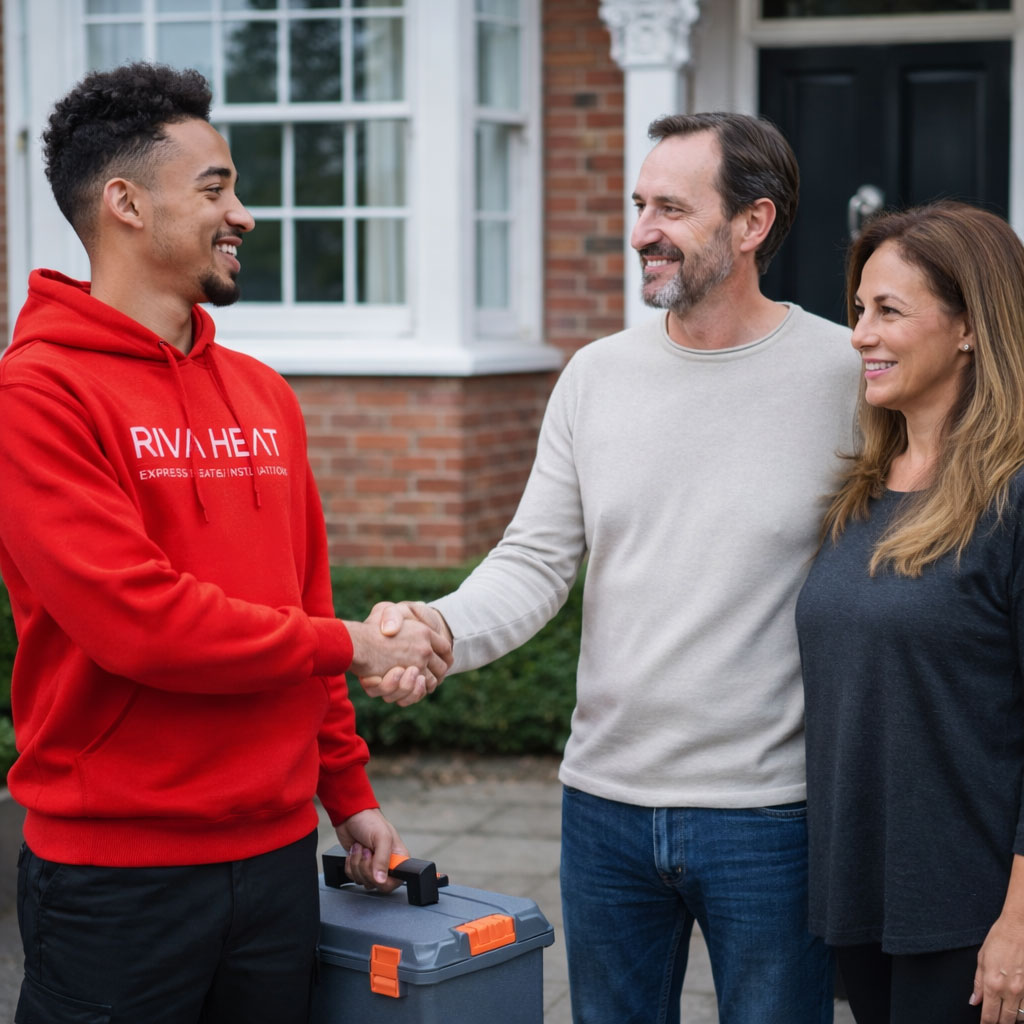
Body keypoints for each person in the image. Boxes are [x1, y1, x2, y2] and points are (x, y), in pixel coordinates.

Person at [365, 112, 861, 1023]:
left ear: (752, 223)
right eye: (639, 205)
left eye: (671, 208)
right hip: (604, 807)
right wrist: (439, 629)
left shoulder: (847, 374)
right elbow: (535, 559)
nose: (641, 233)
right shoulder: (596, 376)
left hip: (771, 814)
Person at [0, 62, 451, 1024]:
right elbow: (141, 624)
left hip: (277, 862)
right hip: (118, 879)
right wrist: (357, 644)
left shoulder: (262, 394)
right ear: (126, 203)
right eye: (215, 189)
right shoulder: (37, 397)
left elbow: (303, 601)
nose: (242, 214)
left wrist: (347, 791)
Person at [795, 201, 1024, 1024]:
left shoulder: (1012, 498)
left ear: (970, 327)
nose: (860, 334)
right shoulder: (861, 490)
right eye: (860, 309)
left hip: (971, 914)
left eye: (889, 310)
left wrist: (1018, 924)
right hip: (863, 897)